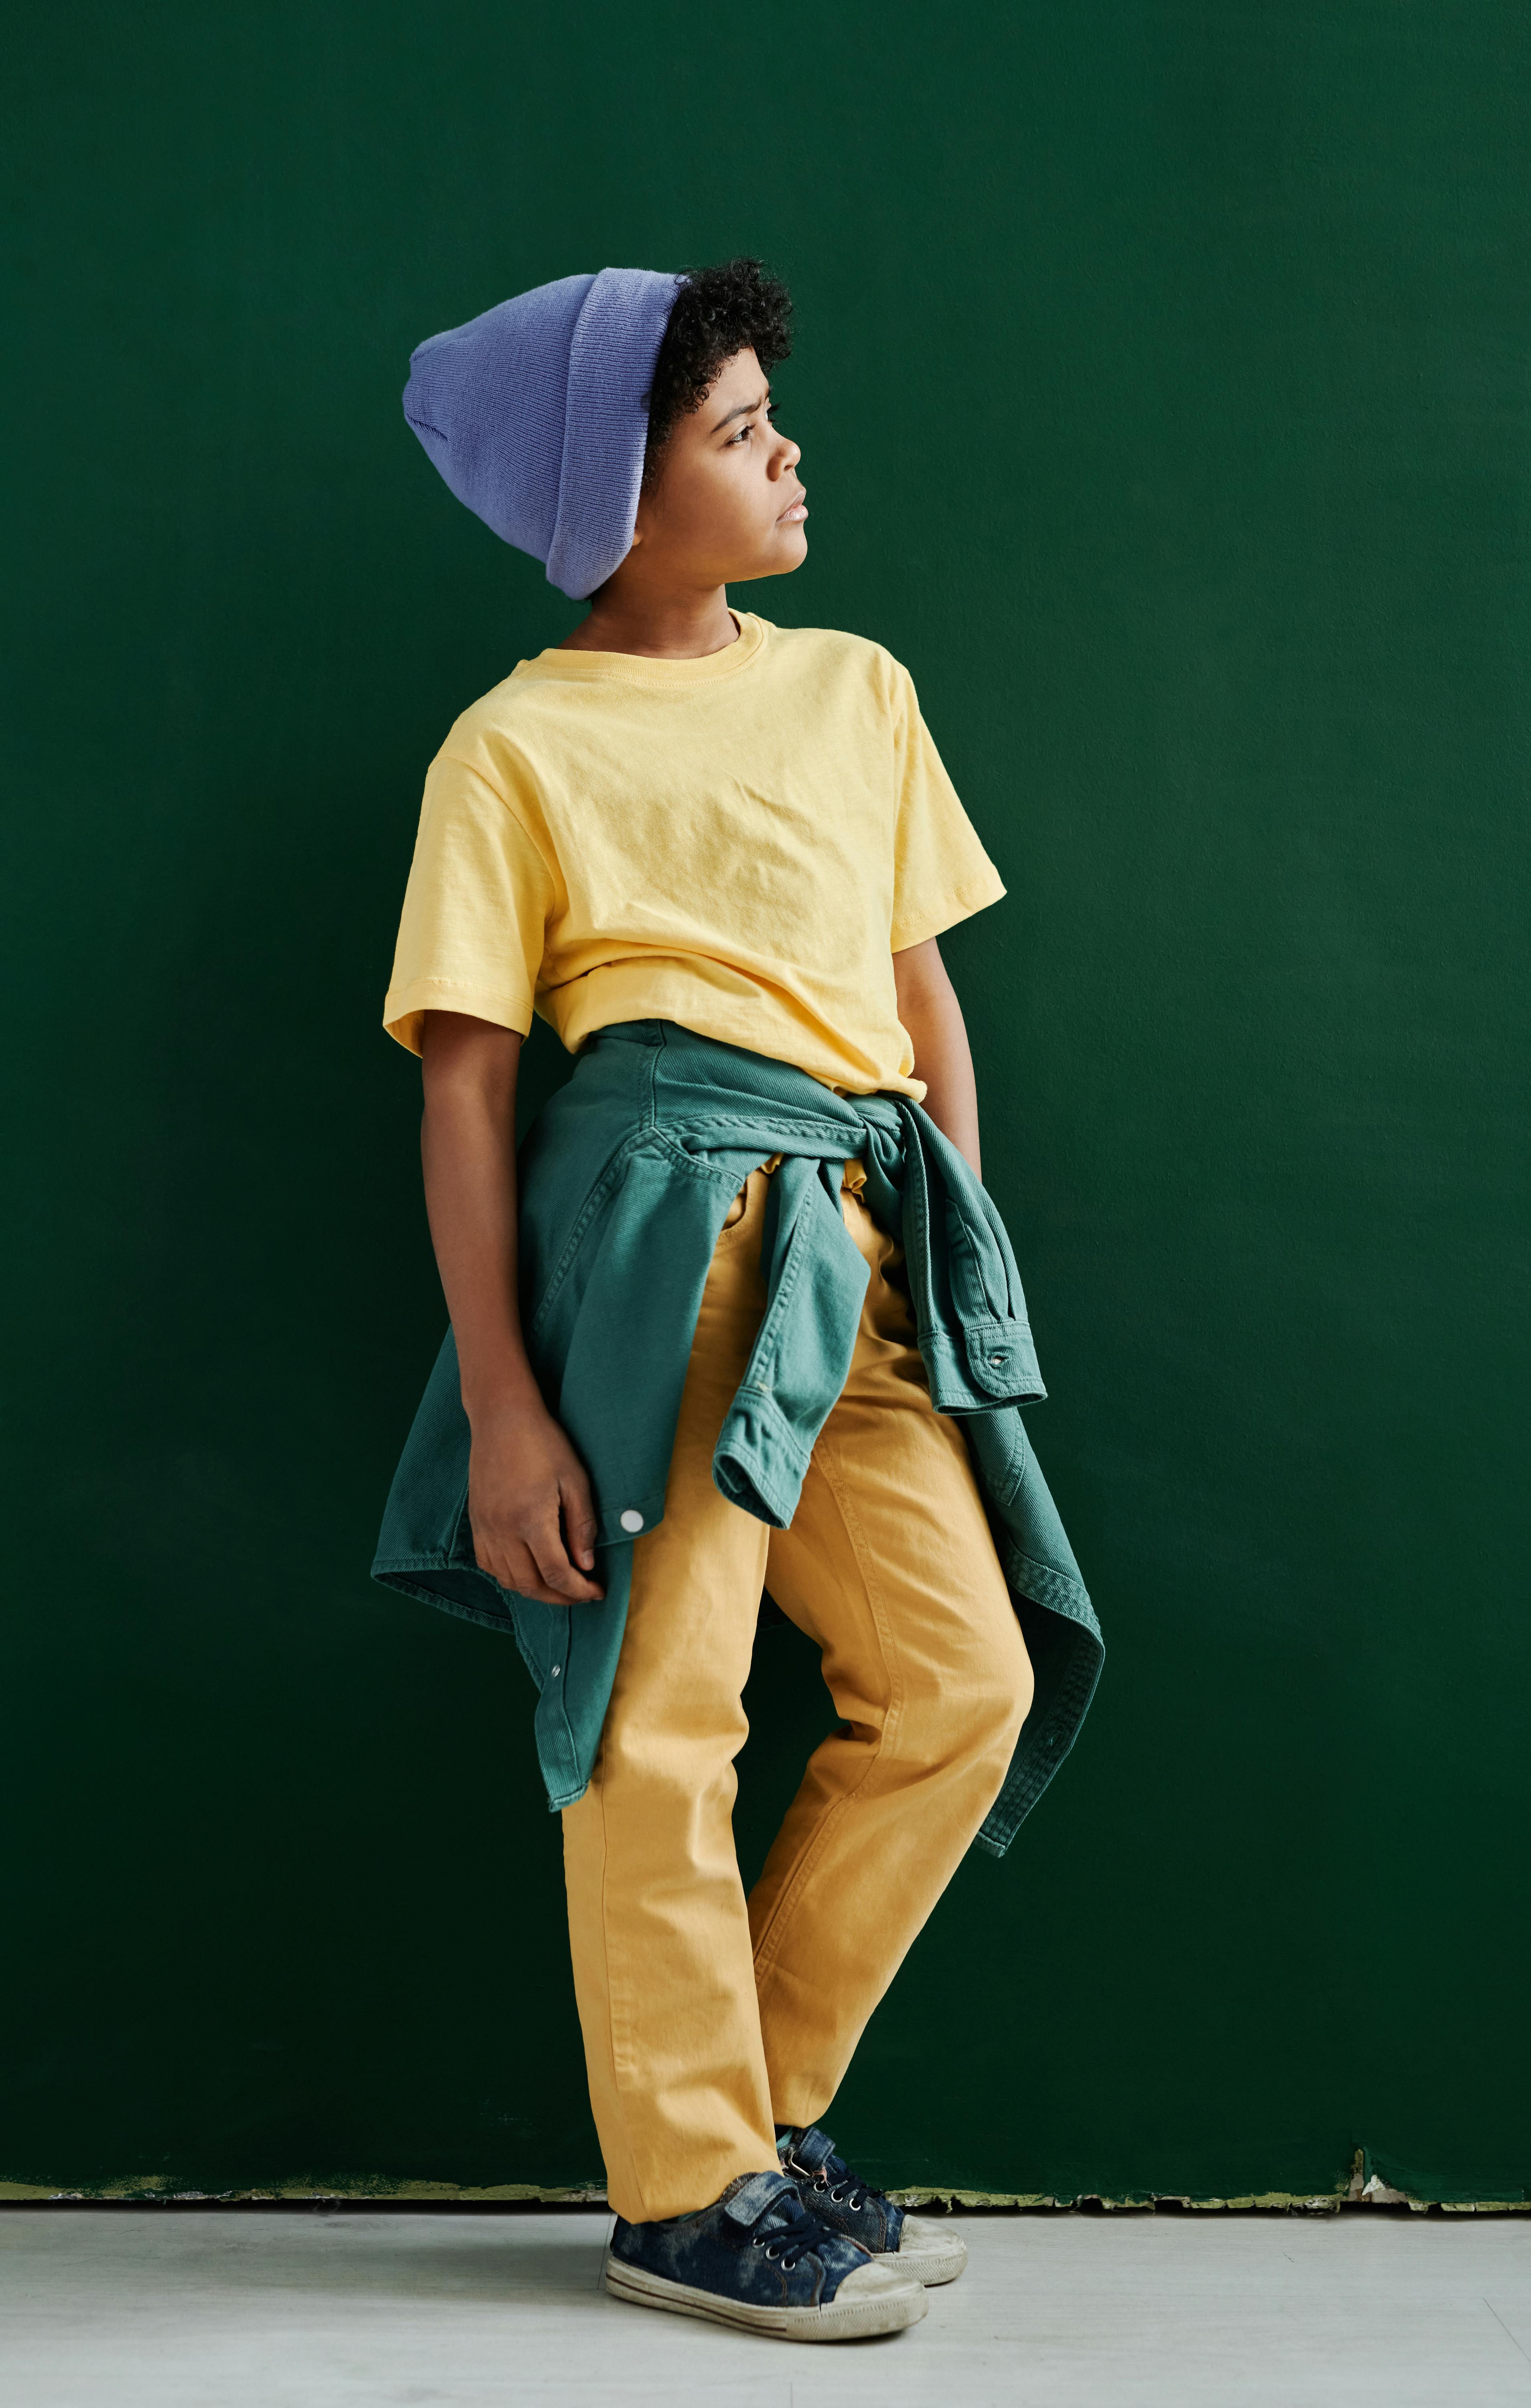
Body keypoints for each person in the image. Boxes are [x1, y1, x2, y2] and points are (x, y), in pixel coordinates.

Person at [374, 259, 1103, 2343]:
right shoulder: (513, 749)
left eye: (776, 417)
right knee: (662, 1716)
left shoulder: (857, 687)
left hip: (858, 1251)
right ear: (615, 495)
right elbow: (467, 1087)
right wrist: (511, 1407)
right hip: (656, 1251)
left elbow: (916, 1000)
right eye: (736, 432)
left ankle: (747, 2135)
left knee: (962, 1685)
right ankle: (690, 2193)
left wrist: (949, 1256)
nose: (787, 455)